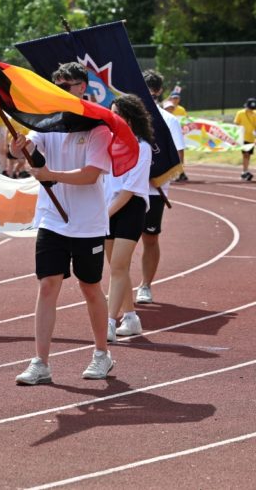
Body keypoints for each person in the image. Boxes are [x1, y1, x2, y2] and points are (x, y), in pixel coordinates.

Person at [12, 62, 114, 385]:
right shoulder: (45, 124)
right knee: (47, 285)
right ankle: (41, 362)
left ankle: (102, 353)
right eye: (55, 83)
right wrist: (19, 149)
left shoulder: (98, 128)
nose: (59, 88)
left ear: (82, 88)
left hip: (87, 224)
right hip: (52, 219)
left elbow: (90, 175)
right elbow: (27, 151)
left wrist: (50, 175)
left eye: (66, 84)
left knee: (90, 287)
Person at [103, 94, 154, 341]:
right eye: (111, 113)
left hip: (129, 207)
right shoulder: (108, 142)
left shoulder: (142, 147)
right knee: (116, 268)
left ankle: (110, 323)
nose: (113, 118)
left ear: (130, 119)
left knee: (119, 266)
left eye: (118, 114)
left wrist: (103, 215)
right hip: (107, 209)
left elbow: (127, 192)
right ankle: (131, 318)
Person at [136, 69, 186, 304]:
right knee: (117, 240)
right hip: (124, 190)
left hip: (154, 190)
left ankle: (145, 285)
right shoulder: (126, 117)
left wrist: (155, 176)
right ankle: (120, 284)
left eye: (150, 90)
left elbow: (178, 159)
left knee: (150, 238)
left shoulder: (169, 121)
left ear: (157, 92)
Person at [233, 98, 256, 181]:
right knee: (245, 154)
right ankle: (245, 171)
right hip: (243, 138)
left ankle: (245, 171)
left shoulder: (255, 114)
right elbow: (236, 124)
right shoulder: (240, 113)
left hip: (251, 138)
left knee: (248, 155)